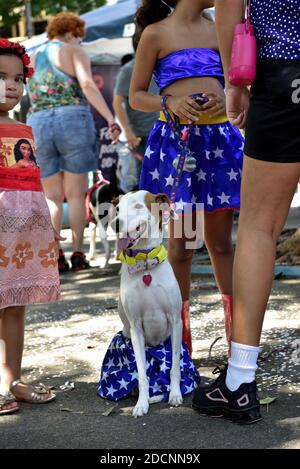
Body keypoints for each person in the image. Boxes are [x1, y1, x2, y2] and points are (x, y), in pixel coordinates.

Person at [192, 0, 300, 424]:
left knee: (259, 228)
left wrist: (234, 81)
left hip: (284, 71)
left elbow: (230, 5)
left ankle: (239, 380)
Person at [129, 0, 244, 355]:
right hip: (176, 149)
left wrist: (226, 97)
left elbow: (237, 82)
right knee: (180, 247)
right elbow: (135, 96)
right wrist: (168, 103)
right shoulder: (156, 33)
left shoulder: (221, 26)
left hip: (220, 144)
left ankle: (238, 339)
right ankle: (181, 347)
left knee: (223, 245)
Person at [27, 12, 120, 273]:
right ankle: (78, 253)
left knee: (52, 197)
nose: (80, 40)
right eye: (79, 35)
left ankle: (54, 255)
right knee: (77, 193)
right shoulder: (73, 51)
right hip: (72, 118)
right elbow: (88, 85)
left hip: (38, 121)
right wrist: (109, 118)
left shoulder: (33, 57)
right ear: (71, 32)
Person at [0, 39, 60, 416]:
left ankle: (11, 379)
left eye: (18, 78)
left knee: (16, 304)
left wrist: (47, 227)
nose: (11, 85)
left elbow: (31, 183)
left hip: (23, 229)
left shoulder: (25, 129)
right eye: (0, 76)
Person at [112, 33, 159, 190]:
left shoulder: (161, 64)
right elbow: (117, 102)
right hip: (141, 135)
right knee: (140, 182)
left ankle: (160, 214)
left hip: (164, 130)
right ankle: (139, 214)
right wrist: (129, 132)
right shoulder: (128, 69)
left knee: (163, 180)